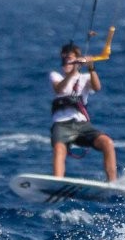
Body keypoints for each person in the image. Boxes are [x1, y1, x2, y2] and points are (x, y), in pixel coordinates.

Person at [49, 42, 118, 181]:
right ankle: (57, 182)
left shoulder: (85, 77)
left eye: (72, 59)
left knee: (107, 143)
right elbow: (59, 89)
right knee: (59, 148)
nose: (69, 62)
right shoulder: (56, 76)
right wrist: (72, 72)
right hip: (62, 124)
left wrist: (91, 66)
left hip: (82, 124)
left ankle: (112, 182)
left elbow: (97, 87)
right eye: (66, 60)